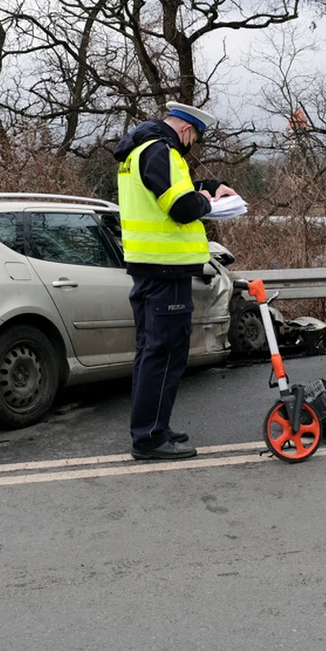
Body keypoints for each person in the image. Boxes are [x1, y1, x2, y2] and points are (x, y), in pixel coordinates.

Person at [113, 101, 237, 460]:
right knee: (164, 354)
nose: (192, 144)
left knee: (152, 353)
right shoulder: (160, 150)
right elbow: (181, 207)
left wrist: (211, 186)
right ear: (186, 130)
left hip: (151, 268)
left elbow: (170, 191)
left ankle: (153, 428)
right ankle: (150, 438)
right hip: (165, 269)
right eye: (194, 138)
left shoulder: (141, 151)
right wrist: (208, 202)